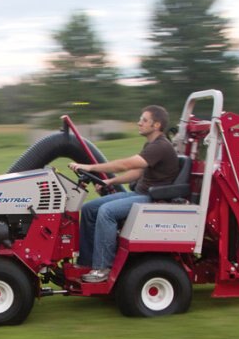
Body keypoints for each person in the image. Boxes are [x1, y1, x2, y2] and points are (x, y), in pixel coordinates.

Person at [68, 105, 179, 282]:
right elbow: (137, 172)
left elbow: (126, 165)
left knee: (107, 212)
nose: (139, 123)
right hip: (141, 194)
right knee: (89, 208)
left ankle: (103, 268)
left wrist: (90, 167)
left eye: (144, 120)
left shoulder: (160, 146)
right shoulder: (151, 145)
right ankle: (87, 262)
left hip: (154, 198)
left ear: (156, 125)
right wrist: (110, 181)